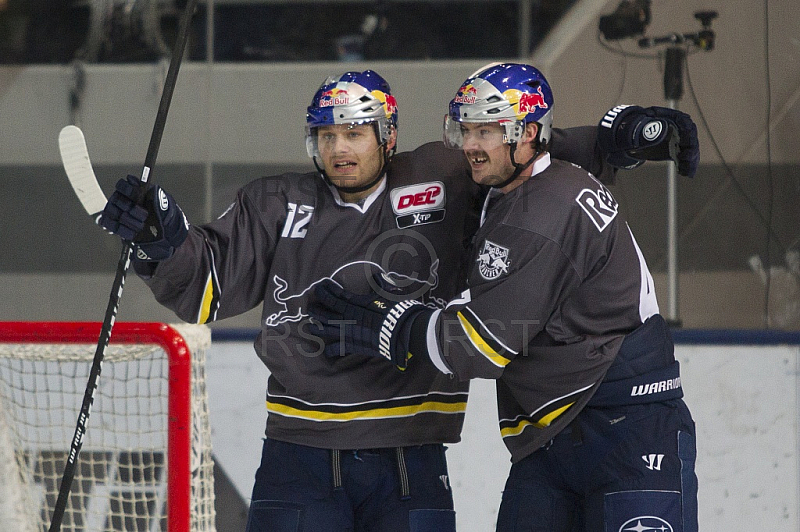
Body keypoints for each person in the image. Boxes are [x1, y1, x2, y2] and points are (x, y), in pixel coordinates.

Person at [100, 68, 697, 532]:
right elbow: (206, 285)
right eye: (326, 134)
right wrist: (166, 241)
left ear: (387, 135)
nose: (339, 148)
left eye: (354, 133)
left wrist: (618, 139)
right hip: (301, 453)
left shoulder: (447, 174)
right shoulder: (277, 203)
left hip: (411, 456)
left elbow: (524, 152)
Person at [309, 63, 698, 532]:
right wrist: (609, 138)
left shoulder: (542, 212)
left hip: (627, 428)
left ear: (527, 133)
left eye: (486, 130)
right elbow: (553, 145)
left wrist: (388, 326)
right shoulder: (508, 177)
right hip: (548, 434)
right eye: (466, 128)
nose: (471, 144)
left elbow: (482, 344)